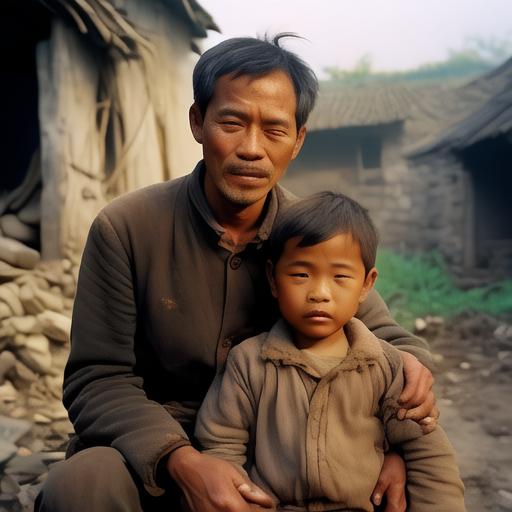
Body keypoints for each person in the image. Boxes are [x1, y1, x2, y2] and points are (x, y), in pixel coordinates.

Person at [36, 35, 438, 512]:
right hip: (151, 459)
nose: (251, 148)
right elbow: (96, 379)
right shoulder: (126, 228)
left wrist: (399, 439)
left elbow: (393, 343)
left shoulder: (308, 239)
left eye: (274, 129)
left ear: (298, 140)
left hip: (275, 464)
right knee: (80, 485)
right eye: (232, 122)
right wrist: (182, 460)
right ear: (197, 122)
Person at [195, 191, 465, 512]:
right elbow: (221, 446)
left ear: (366, 284)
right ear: (272, 278)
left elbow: (427, 450)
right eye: (300, 275)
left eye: (340, 277)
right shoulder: (249, 363)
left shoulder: (386, 366)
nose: (320, 293)